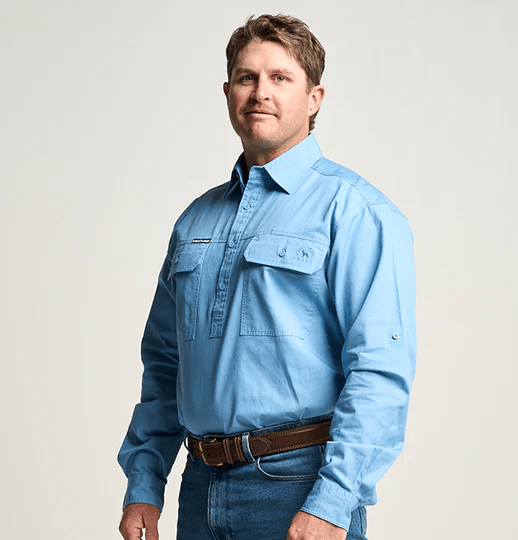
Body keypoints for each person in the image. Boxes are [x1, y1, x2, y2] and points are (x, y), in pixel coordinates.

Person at [118, 13, 416, 540]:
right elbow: (164, 365)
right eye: (246, 77)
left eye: (280, 77)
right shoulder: (195, 221)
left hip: (298, 485)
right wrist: (145, 483)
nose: (261, 92)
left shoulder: (355, 212)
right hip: (199, 486)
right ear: (228, 92)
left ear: (314, 98)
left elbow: (379, 369)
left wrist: (333, 502)